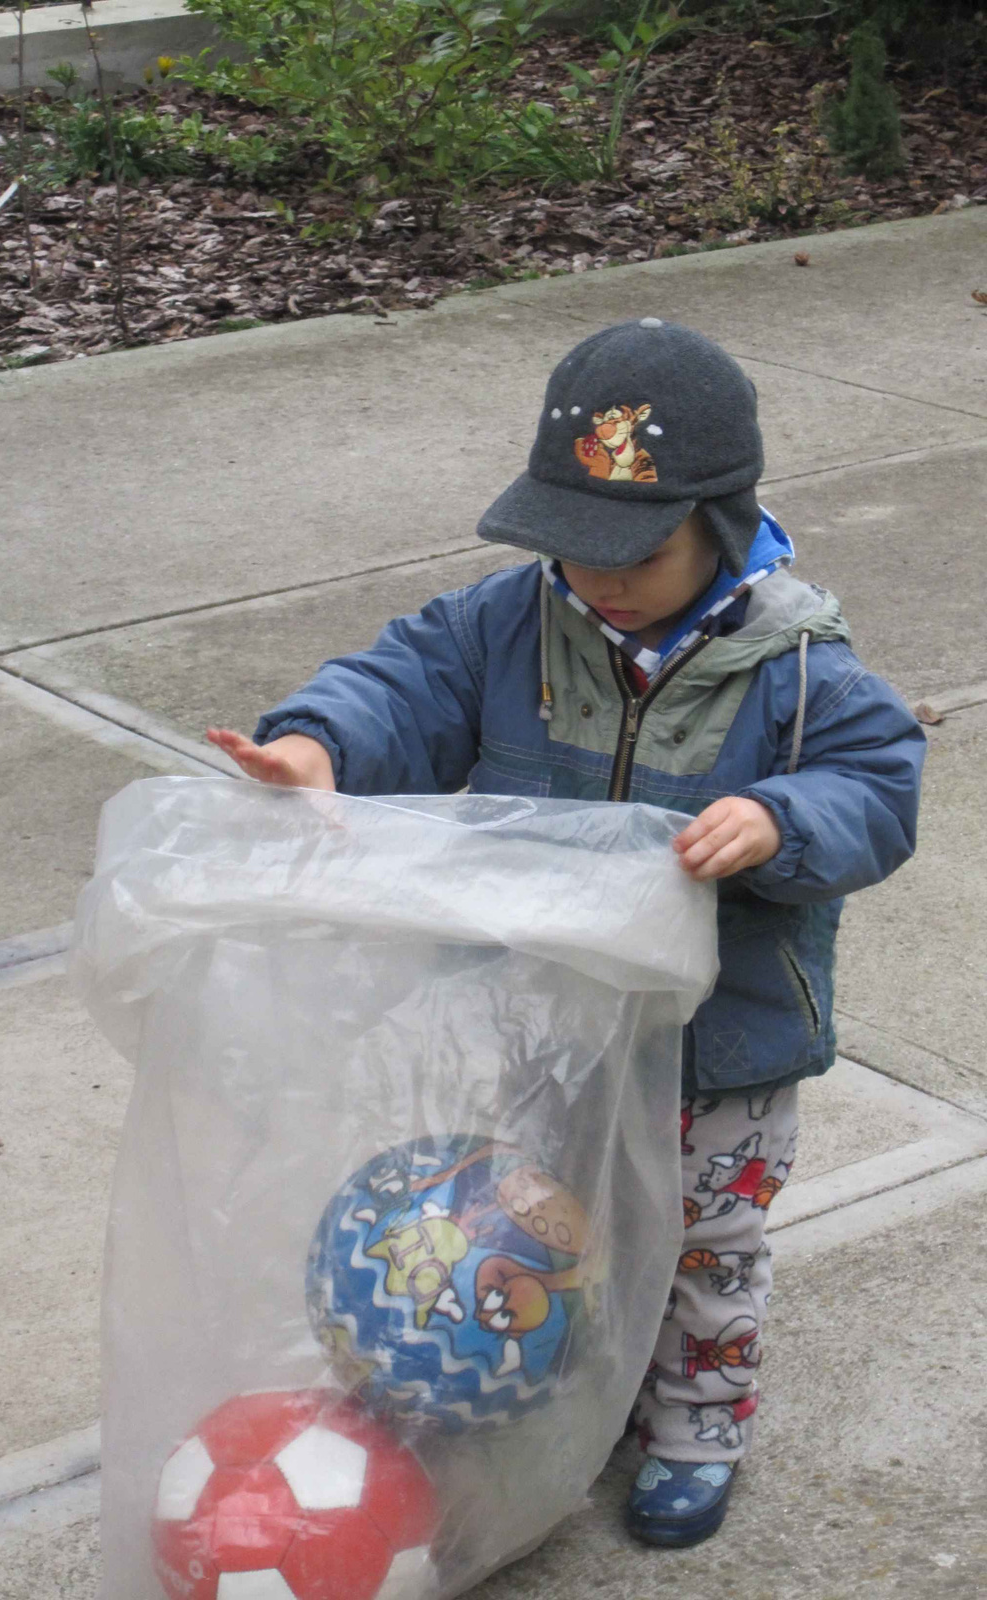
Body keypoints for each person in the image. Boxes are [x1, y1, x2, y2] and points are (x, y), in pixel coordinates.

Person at [206, 318, 926, 1548]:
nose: (594, 578)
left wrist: (778, 815)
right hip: (543, 1018)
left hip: (724, 1045)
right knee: (541, 1220)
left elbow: (881, 782)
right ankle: (557, 1383)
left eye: (633, 554)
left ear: (725, 521)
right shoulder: (511, 624)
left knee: (702, 1242)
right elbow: (402, 684)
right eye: (568, 542)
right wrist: (317, 745)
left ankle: (696, 1418)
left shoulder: (800, 670)